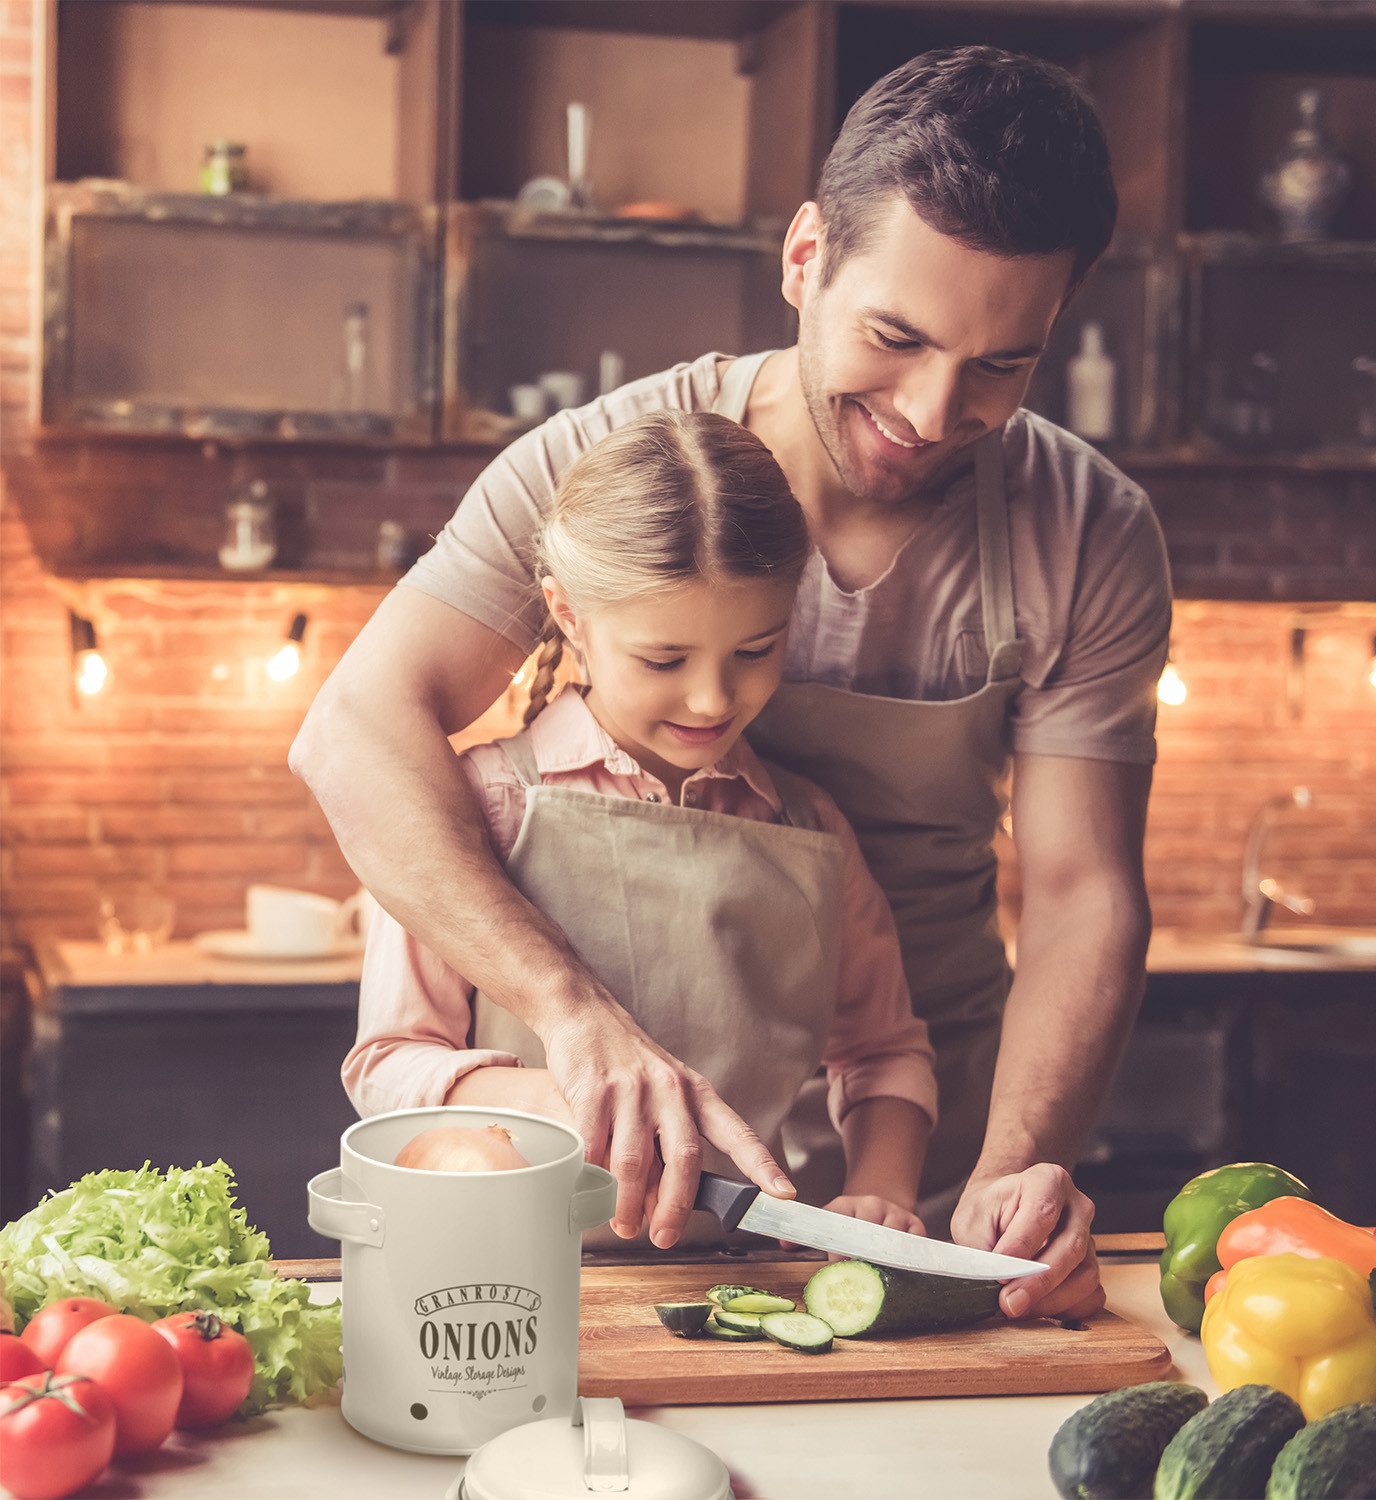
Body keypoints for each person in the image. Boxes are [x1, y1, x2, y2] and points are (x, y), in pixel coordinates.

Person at [292, 46, 1171, 1321]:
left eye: (1002, 364)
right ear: (806, 257)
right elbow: (355, 730)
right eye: (897, 336)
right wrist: (574, 1025)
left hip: (917, 1139)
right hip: (584, 1165)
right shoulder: (607, 466)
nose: (933, 409)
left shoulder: (1091, 530)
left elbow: (1088, 894)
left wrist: (1014, 1163)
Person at [343, 411, 938, 1248]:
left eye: (756, 650)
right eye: (664, 660)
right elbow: (388, 1063)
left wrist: (881, 1189)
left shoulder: (810, 831)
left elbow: (885, 1054)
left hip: (746, 1282)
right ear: (569, 616)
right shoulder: (479, 808)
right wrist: (568, 1099)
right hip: (502, 1274)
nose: (712, 700)